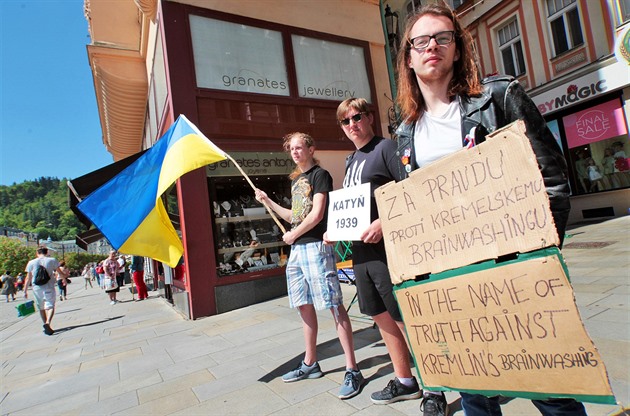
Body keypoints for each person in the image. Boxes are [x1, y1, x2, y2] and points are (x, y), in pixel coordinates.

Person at [394, 4, 585, 416]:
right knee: (474, 390)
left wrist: (540, 252)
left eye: (443, 38)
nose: (432, 47)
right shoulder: (405, 132)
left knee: (550, 385)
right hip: (452, 281)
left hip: (515, 271)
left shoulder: (497, 97)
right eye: (421, 41)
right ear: (409, 57)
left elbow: (551, 177)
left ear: (458, 48)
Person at [255, 132, 364, 400]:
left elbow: (316, 215)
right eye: (291, 148)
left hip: (316, 247)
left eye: (299, 147)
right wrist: (267, 201)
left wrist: (293, 235)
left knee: (333, 304)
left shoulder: (319, 175)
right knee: (303, 305)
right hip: (297, 252)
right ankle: (310, 363)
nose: (294, 152)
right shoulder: (297, 182)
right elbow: (295, 216)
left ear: (310, 148)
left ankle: (352, 368)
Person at [328, 98, 422, 405]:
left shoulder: (386, 149)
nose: (352, 124)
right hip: (360, 254)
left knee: (403, 317)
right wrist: (335, 231)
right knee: (379, 315)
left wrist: (384, 222)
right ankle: (406, 380)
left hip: (387, 250)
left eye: (357, 117)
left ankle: (437, 384)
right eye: (345, 121)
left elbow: (410, 189)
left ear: (369, 118)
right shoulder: (351, 160)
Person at [24, 246, 64, 335]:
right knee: (50, 306)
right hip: (49, 286)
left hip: (36, 288)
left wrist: (25, 290)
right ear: (47, 252)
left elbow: (28, 277)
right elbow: (59, 272)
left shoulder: (31, 262)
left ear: (37, 253)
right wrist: (64, 279)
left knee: (41, 308)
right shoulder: (52, 260)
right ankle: (48, 323)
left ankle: (45, 324)